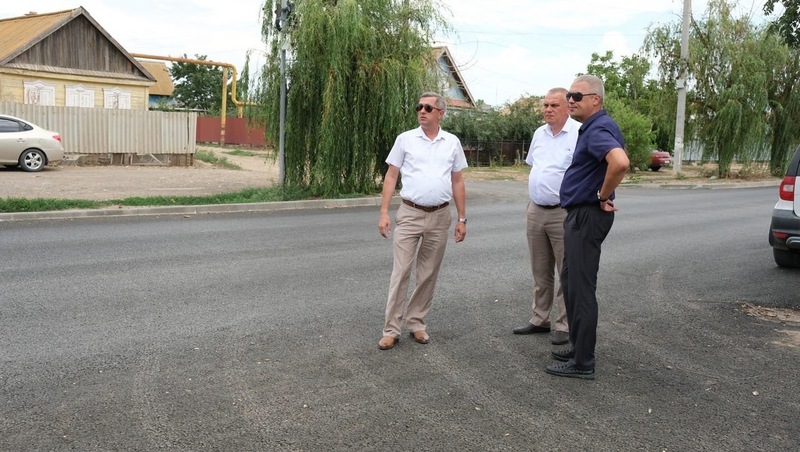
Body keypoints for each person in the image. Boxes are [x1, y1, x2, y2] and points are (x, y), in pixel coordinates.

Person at [545, 75, 629, 379]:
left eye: (577, 96)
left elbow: (620, 162)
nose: (571, 100)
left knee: (581, 288)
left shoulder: (598, 129)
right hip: (582, 214)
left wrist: (602, 196)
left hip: (587, 215)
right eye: (570, 95)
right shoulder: (596, 126)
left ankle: (583, 363)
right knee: (571, 282)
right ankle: (578, 348)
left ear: (596, 99)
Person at [376, 92, 468, 350]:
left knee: (428, 273)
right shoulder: (405, 139)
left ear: (441, 113)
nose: (422, 111)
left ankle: (416, 322)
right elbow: (391, 176)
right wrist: (384, 212)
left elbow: (458, 180)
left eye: (428, 108)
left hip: (440, 216)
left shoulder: (451, 142)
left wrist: (462, 218)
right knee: (401, 271)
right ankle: (391, 330)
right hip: (410, 213)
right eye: (419, 107)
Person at [513, 88, 579, 346]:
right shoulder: (539, 133)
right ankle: (540, 318)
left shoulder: (578, 133)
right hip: (536, 210)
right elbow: (536, 166)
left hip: (564, 211)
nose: (548, 109)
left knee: (566, 271)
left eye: (554, 105)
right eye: (545, 105)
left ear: (567, 107)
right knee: (540, 270)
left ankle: (564, 324)